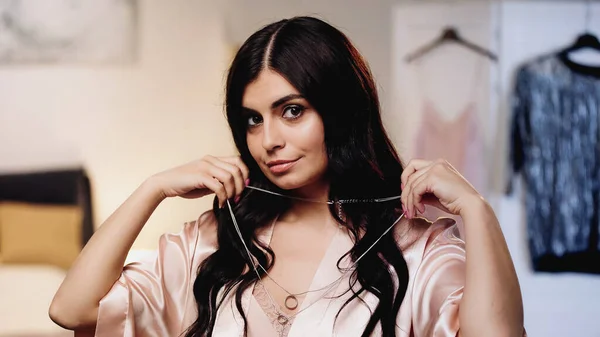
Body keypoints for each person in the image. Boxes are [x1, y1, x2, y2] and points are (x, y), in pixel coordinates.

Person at [49, 16, 525, 337]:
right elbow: (72, 310)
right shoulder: (214, 241)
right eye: (252, 119)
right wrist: (152, 189)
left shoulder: (416, 246)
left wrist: (477, 213)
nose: (268, 140)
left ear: (339, 110)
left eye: (291, 111)